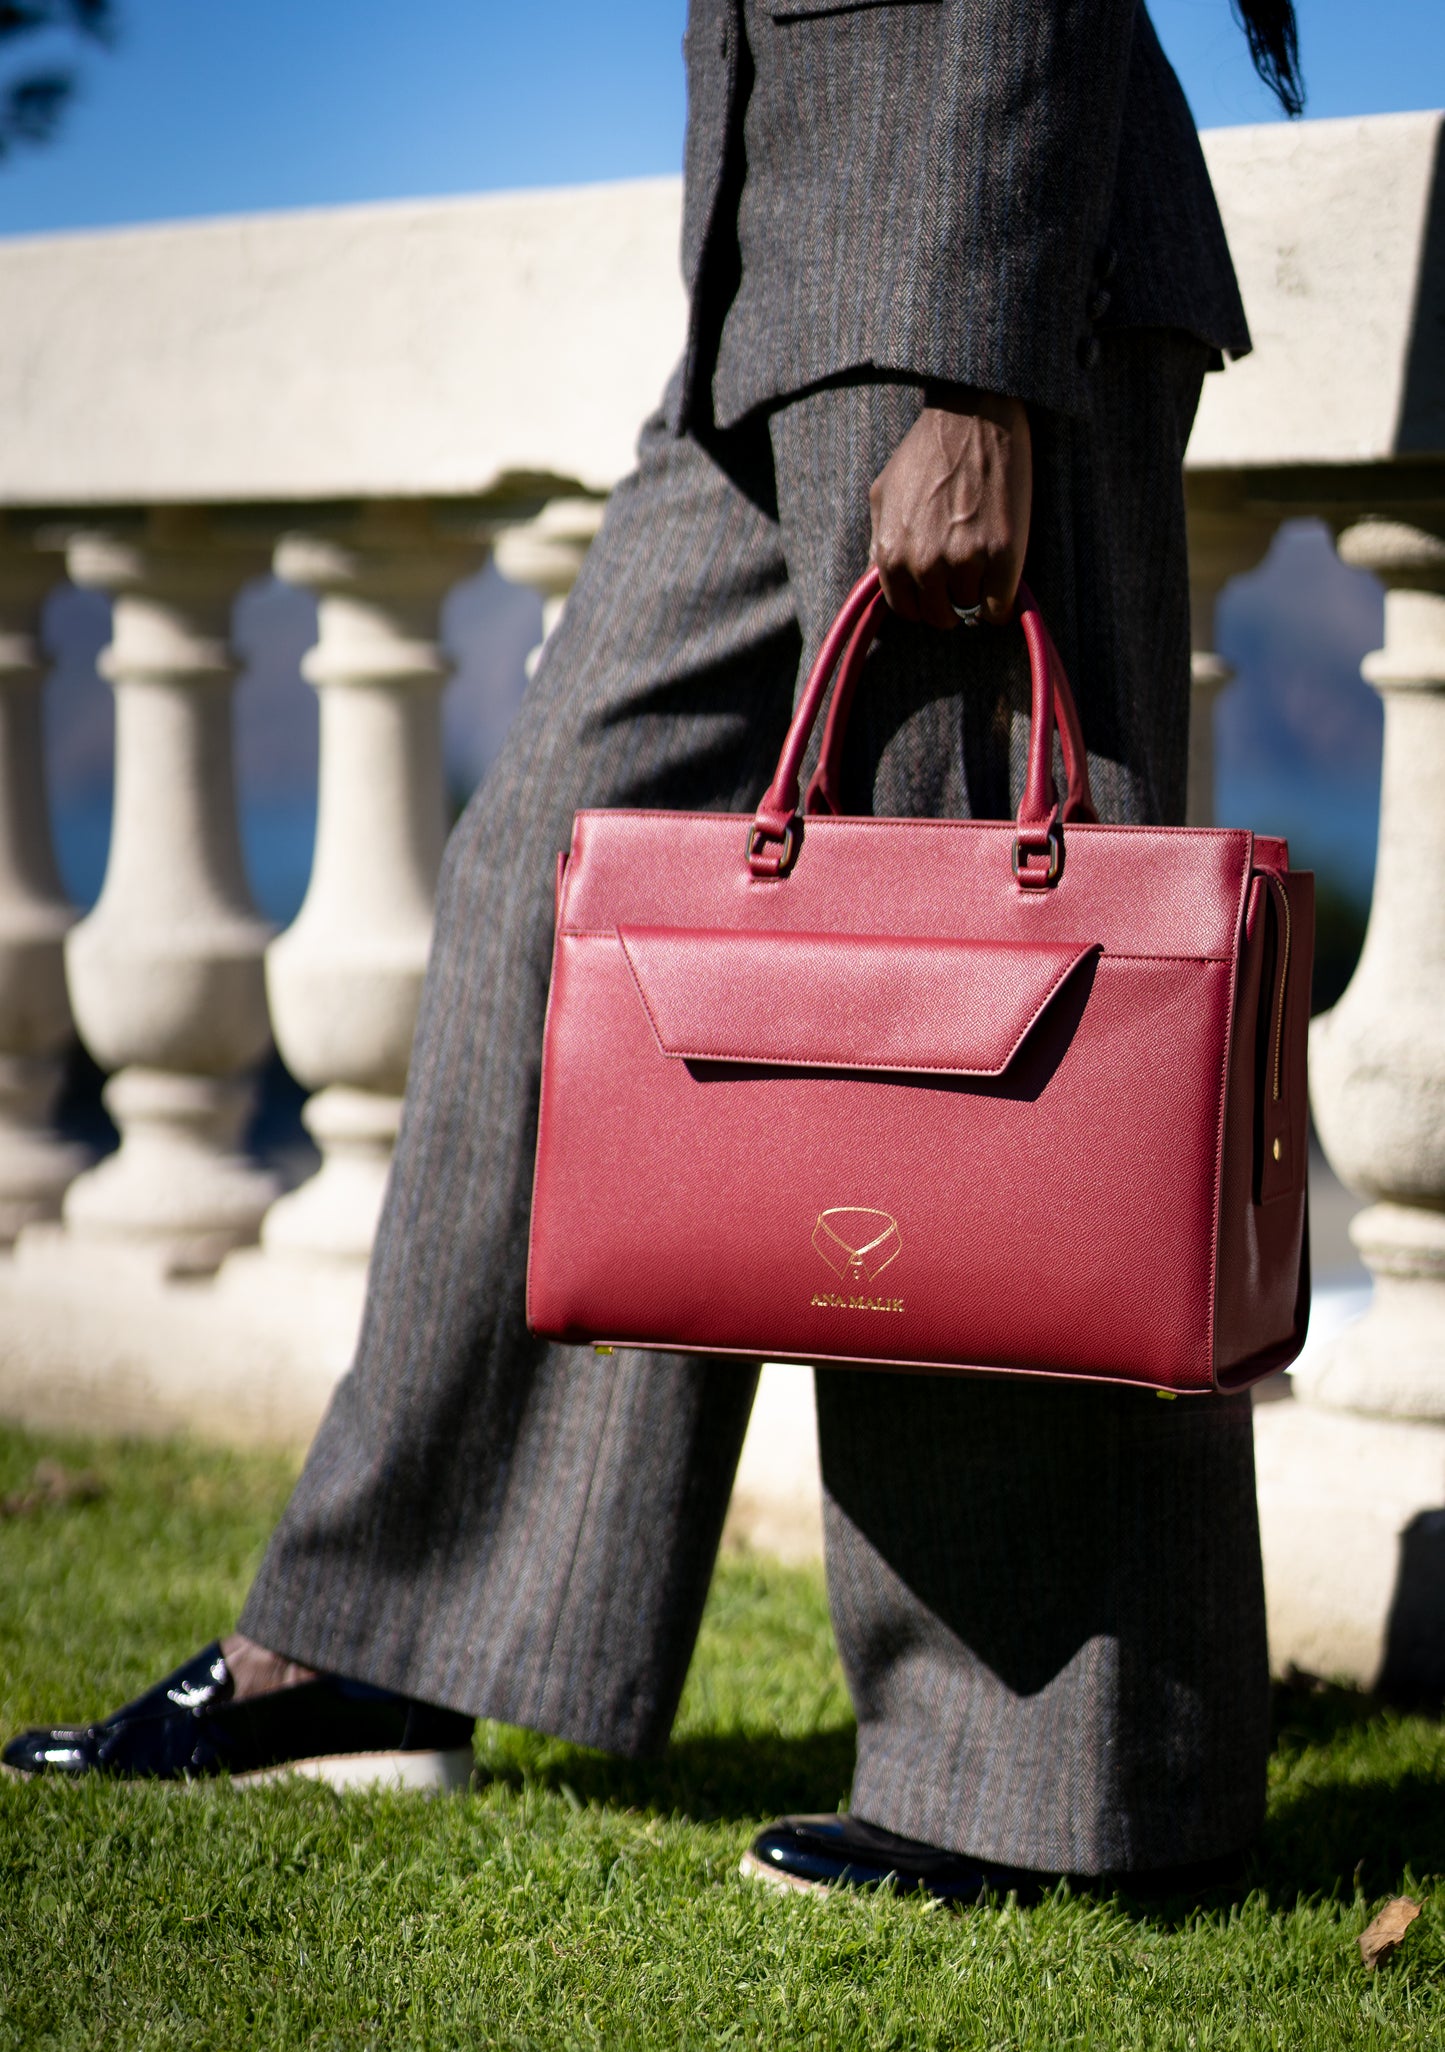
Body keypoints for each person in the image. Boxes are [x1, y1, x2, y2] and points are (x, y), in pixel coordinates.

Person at [6, 0, 1304, 1902]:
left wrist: (976, 344)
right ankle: (392, 1635)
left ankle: (1051, 1785)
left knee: (982, 1024)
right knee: (552, 896)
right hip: (776, 268)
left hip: (962, 254)